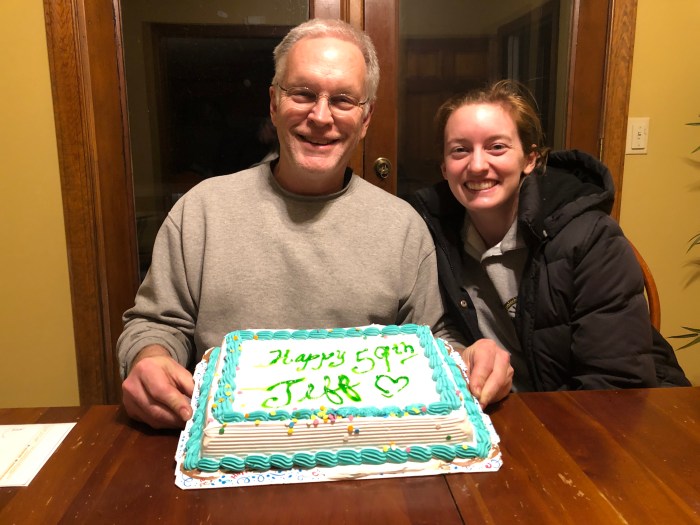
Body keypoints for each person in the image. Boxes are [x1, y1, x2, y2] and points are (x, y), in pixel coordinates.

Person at [117, 19, 513, 430]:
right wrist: (149, 358)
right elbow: (155, 324)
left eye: (343, 100)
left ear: (366, 118)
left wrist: (468, 359)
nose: (321, 116)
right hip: (232, 444)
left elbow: (433, 341)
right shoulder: (200, 212)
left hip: (365, 448)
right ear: (274, 104)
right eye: (303, 93)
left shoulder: (403, 228)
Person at [411, 80, 690, 392]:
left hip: (613, 407)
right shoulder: (430, 236)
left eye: (497, 147)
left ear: (530, 159)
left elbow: (616, 385)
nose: (477, 165)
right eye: (460, 150)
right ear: (444, 168)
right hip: (501, 409)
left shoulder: (591, 239)